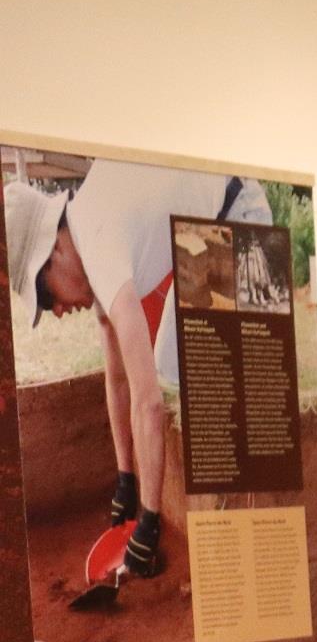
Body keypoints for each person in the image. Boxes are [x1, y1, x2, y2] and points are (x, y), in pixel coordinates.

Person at [7, 162, 276, 581]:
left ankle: (243, 537)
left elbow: (146, 403)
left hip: (241, 219)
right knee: (168, 367)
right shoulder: (86, 234)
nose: (56, 311)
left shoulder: (100, 251)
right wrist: (125, 481)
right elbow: (116, 381)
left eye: (45, 295)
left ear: (54, 251)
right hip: (199, 235)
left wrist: (148, 522)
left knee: (194, 376)